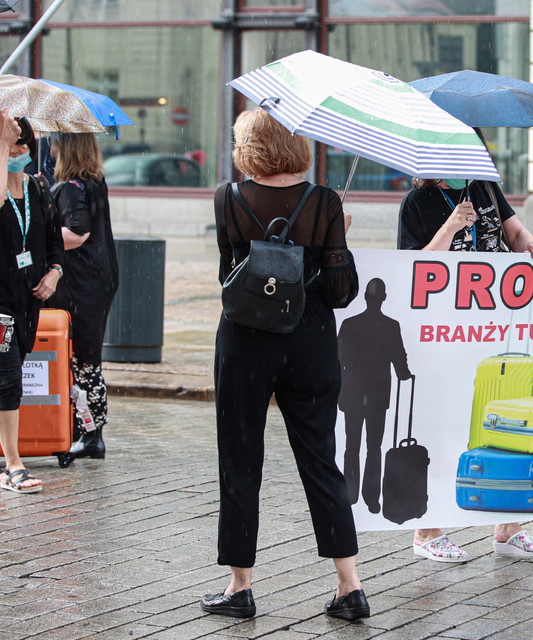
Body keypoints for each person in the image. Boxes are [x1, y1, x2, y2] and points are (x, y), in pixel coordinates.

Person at [203, 108, 368, 621]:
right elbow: (343, 294)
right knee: (320, 460)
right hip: (311, 342)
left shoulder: (227, 199)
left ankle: (240, 587)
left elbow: (231, 275)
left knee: (240, 459)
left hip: (246, 342)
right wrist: (335, 236)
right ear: (297, 145)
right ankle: (349, 587)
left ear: (248, 147)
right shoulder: (324, 202)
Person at [398, 173, 533, 562]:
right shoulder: (416, 204)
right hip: (447, 327)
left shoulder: (484, 188)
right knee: (446, 418)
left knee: (504, 415)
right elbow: (415, 268)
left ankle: (508, 526)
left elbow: (513, 234)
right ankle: (427, 529)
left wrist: (530, 244)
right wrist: (450, 226)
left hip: (496, 320)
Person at [0, 113, 64, 494]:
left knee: (9, 376)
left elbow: (54, 239)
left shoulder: (38, 189)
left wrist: (55, 271)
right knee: (9, 382)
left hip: (28, 304)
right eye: (10, 144)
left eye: (22, 145)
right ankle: (13, 464)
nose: (16, 150)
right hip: (0, 304)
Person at [46, 133, 119, 462]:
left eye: (54, 144)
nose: (50, 149)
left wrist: (40, 238)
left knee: (83, 358)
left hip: (80, 283)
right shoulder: (93, 182)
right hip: (98, 278)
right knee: (88, 357)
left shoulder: (71, 188)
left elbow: (76, 233)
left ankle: (89, 435)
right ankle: (90, 432)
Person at [337, 277, 413, 514]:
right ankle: (371, 497)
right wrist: (405, 374)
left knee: (352, 444)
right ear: (383, 298)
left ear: (366, 297)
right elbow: (399, 358)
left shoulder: (350, 324)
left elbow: (338, 360)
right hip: (378, 393)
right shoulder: (391, 326)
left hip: (352, 390)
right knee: (374, 446)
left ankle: (350, 493)